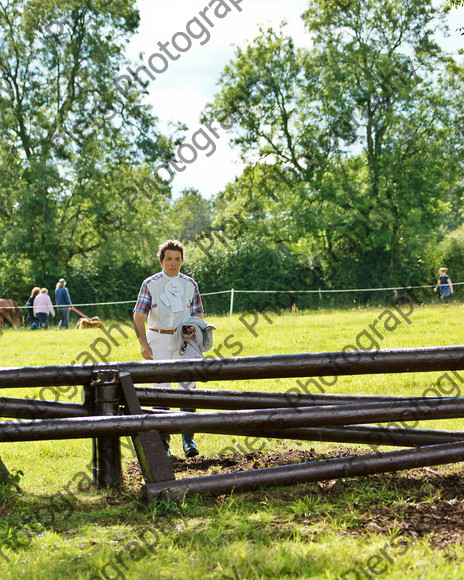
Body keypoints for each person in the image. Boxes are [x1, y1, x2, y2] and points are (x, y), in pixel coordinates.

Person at [133, 239, 204, 458]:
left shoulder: (190, 284)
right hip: (159, 339)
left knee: (187, 387)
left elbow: (198, 314)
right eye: (169, 259)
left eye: (177, 259)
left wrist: (192, 329)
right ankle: (163, 445)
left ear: (182, 260)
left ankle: (188, 442)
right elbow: (139, 316)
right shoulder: (151, 283)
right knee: (162, 389)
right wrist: (143, 343)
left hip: (185, 340)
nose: (173, 263)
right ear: (161, 260)